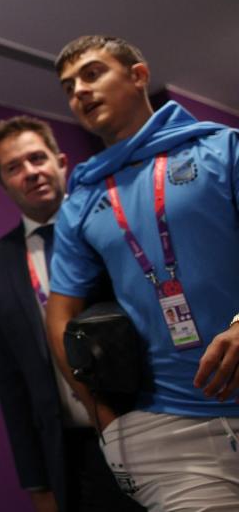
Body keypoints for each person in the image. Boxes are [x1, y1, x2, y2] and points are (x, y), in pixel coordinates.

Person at [46, 35, 239, 510]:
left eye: (92, 74)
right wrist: (104, 414)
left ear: (138, 76)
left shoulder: (220, 148)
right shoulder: (83, 196)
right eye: (69, 87)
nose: (79, 93)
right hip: (171, 431)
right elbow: (60, 311)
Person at [0, 116, 142, 512]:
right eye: (14, 167)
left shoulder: (111, 227)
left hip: (143, 425)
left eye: (37, 158)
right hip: (73, 454)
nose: (30, 172)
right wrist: (37, 481)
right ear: (2, 184)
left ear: (61, 161)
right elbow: (9, 378)